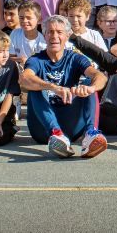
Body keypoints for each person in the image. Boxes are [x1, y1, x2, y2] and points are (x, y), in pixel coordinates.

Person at [19, 14, 108, 158]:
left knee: (87, 85)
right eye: (50, 32)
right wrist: (52, 87)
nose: (54, 36)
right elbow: (25, 78)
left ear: (67, 36)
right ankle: (56, 134)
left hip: (71, 125)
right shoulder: (36, 59)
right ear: (45, 35)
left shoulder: (75, 58)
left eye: (59, 32)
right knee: (36, 87)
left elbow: (100, 77)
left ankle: (91, 135)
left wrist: (90, 88)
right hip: (43, 129)